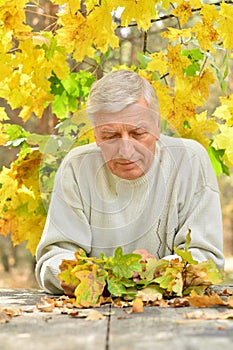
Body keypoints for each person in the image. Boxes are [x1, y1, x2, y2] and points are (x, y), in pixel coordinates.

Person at [35, 69, 225, 295]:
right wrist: (72, 274)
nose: (125, 151)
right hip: (91, 317)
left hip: (173, 314)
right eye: (110, 136)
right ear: (95, 134)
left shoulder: (190, 160)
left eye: (138, 133)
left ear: (157, 126)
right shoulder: (76, 167)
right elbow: (53, 258)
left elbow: (207, 261)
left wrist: (158, 268)